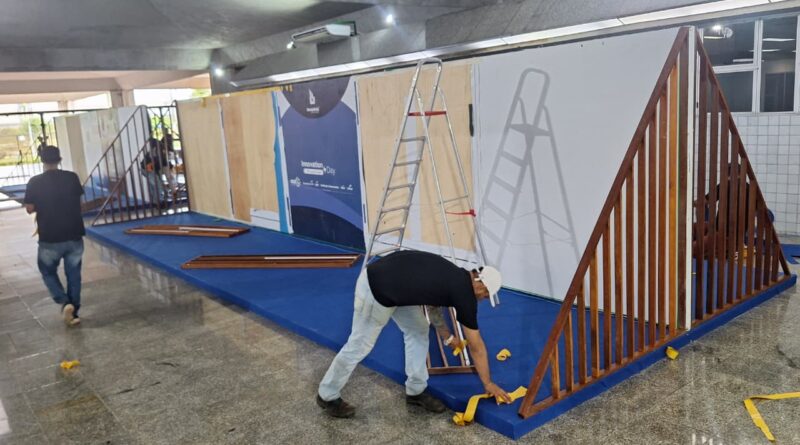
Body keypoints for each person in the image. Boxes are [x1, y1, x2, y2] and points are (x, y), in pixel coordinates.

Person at [316, 250, 511, 418]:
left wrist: (448, 337)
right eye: (486, 295)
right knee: (359, 345)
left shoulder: (456, 275)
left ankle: (415, 391)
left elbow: (433, 304)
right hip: (376, 288)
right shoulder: (464, 295)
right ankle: (327, 395)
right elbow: (476, 346)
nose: (483, 299)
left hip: (396, 286)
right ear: (480, 284)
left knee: (418, 329)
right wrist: (488, 383)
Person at [23, 146, 85, 327]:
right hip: (74, 232)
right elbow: (79, 202)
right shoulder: (71, 177)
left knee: (48, 271)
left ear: (42, 161)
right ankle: (74, 311)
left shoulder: (34, 182)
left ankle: (64, 302)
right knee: (74, 274)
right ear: (59, 159)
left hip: (50, 235)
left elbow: (30, 208)